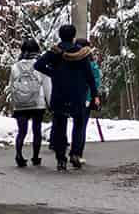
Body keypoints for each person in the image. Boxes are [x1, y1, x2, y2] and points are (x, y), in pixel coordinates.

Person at [34, 24, 100, 171]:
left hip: (59, 93)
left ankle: (60, 158)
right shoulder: (81, 53)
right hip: (78, 93)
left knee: (59, 124)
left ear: (60, 35)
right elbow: (90, 77)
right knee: (78, 123)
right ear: (73, 36)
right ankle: (75, 153)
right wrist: (94, 93)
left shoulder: (55, 52)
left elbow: (38, 65)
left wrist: (53, 73)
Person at [10, 38, 51, 167]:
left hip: (20, 104)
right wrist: (50, 103)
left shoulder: (15, 67)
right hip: (37, 102)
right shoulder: (40, 65)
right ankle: (35, 156)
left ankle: (19, 155)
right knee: (36, 130)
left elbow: (11, 86)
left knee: (22, 131)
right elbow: (47, 85)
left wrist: (14, 103)